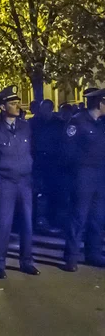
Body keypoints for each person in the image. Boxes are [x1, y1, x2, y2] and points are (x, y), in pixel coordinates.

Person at [0, 86, 39, 279]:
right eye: (12, 103)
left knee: (27, 223)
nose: (17, 105)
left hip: (25, 181)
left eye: (17, 102)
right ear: (3, 107)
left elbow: (32, 151)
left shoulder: (25, 126)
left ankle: (26, 261)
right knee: (3, 223)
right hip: (5, 182)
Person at [62, 88, 105, 272]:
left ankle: (93, 253)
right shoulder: (78, 122)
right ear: (99, 103)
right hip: (82, 175)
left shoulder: (101, 123)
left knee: (97, 217)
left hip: (99, 175)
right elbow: (68, 151)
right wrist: (76, 173)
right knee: (78, 216)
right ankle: (71, 257)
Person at [30, 100, 65, 231]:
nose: (42, 112)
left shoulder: (59, 124)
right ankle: (35, 220)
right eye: (41, 109)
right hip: (38, 160)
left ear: (51, 109)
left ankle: (52, 219)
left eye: (45, 109)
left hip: (54, 162)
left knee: (53, 191)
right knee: (35, 191)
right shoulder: (34, 123)